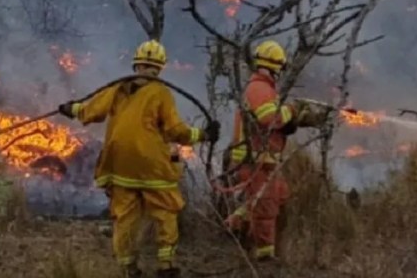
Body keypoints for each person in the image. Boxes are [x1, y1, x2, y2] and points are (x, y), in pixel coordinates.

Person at [58, 40, 220, 278]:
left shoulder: (118, 87)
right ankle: (166, 266)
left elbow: (91, 110)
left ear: (136, 65)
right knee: (165, 210)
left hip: (118, 164)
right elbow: (176, 131)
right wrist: (204, 135)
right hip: (151, 165)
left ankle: (128, 268)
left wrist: (71, 109)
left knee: (124, 216)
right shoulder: (160, 92)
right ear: (160, 67)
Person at [224, 40, 322, 262]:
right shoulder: (259, 88)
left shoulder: (264, 89)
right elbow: (269, 118)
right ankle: (264, 258)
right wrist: (291, 109)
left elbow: (273, 122)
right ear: (275, 66)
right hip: (255, 161)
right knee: (266, 209)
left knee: (278, 196)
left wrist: (296, 120)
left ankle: (236, 222)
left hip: (264, 160)